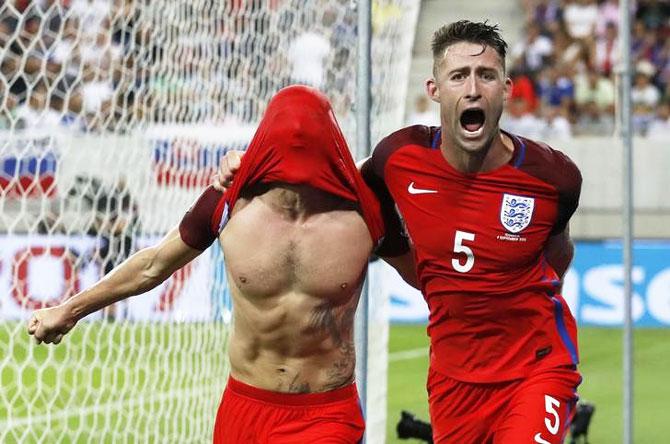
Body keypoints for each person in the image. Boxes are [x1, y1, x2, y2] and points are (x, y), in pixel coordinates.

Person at [215, 20, 583, 444]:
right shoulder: (398, 156)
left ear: (507, 88)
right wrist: (251, 172)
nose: (473, 89)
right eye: (459, 76)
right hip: (454, 377)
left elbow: (558, 256)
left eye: (486, 75)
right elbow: (336, 189)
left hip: (537, 366)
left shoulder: (553, 178)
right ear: (434, 90)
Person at [27, 85, 393, 443]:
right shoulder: (228, 203)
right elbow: (154, 264)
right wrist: (70, 310)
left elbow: (427, 275)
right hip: (245, 408)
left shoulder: (365, 212)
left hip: (325, 415)